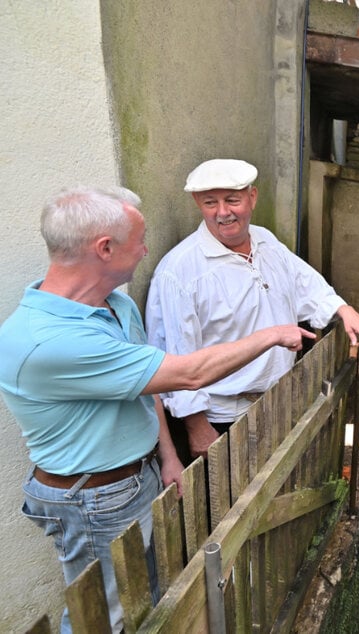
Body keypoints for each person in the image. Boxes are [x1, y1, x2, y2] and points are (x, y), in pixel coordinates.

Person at [0, 186, 315, 634]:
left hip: (136, 476)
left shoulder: (113, 303)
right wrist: (270, 335)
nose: (147, 249)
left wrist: (166, 456)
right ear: (105, 249)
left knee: (149, 599)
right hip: (92, 496)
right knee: (100, 619)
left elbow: (148, 383)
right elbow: (184, 374)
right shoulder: (50, 340)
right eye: (140, 239)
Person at [146, 158, 359, 459]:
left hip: (277, 401)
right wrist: (196, 427)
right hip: (223, 418)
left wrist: (344, 309)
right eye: (210, 203)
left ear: (252, 197)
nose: (223, 212)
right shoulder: (179, 272)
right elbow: (175, 355)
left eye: (232, 200)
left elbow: (304, 283)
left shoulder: (265, 241)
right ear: (197, 203)